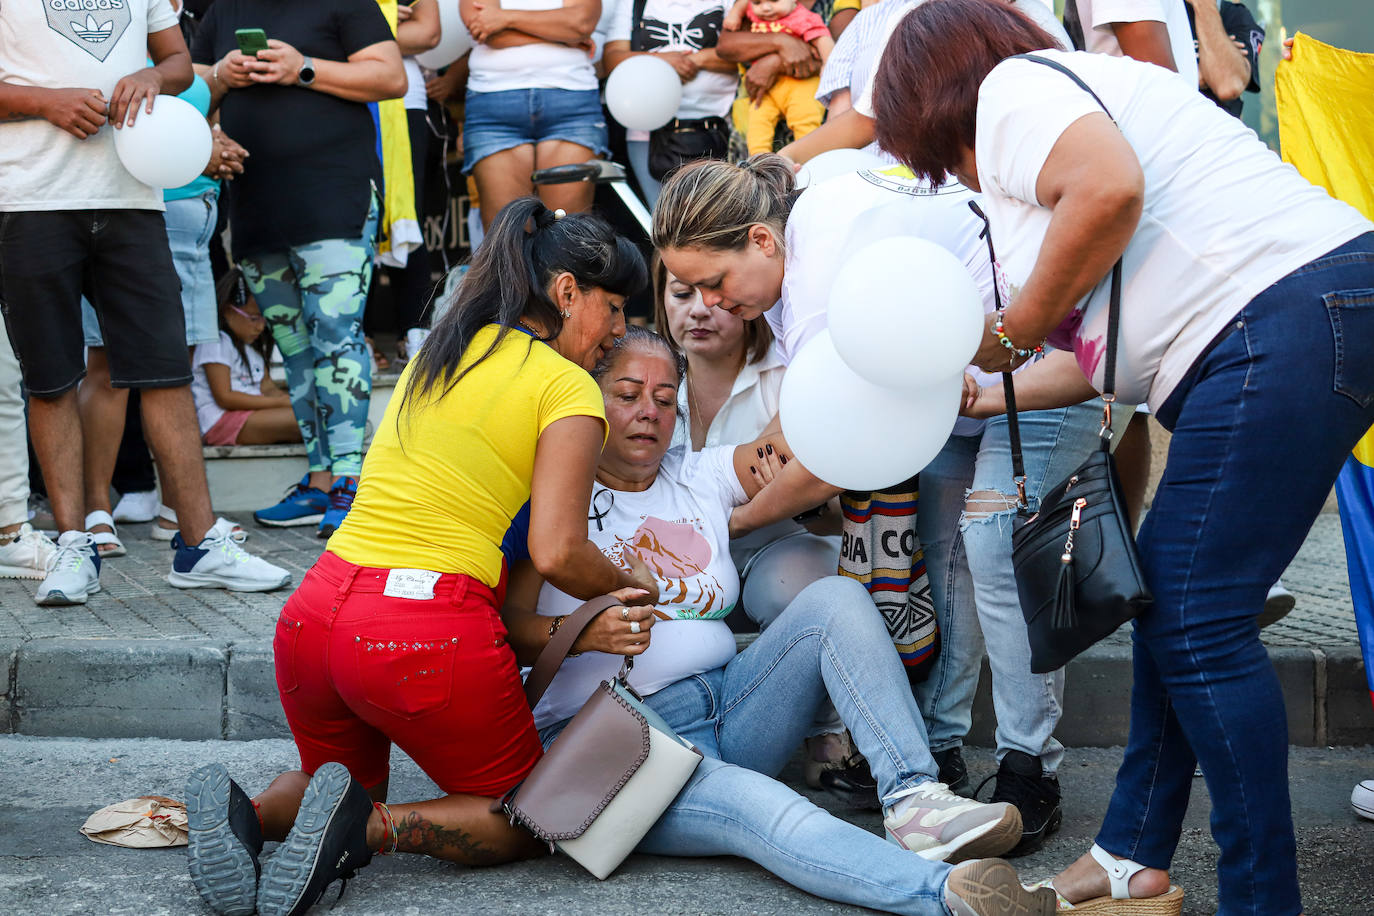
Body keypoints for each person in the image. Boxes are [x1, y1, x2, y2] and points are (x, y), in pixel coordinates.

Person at [871, 1, 1374, 912]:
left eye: (942, 154)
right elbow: (1107, 350)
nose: (960, 174)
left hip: (1275, 323)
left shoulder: (1011, 93)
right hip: (1296, 321)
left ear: (936, 94)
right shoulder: (1068, 104)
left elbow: (1109, 191)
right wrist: (990, 385)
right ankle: (1128, 858)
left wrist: (1012, 329)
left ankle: (1262, 899)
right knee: (1175, 605)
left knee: (1198, 618)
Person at [183, 199, 660, 916]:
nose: (619, 332)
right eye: (615, 308)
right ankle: (368, 831)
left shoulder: (440, 350)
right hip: (419, 630)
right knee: (524, 816)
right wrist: (628, 586)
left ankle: (248, 815)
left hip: (315, 615)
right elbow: (558, 550)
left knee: (336, 783)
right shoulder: (564, 386)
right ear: (567, 293)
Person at [652, 154, 1112, 856]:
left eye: (714, 283)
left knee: (990, 546)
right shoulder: (800, 235)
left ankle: (1029, 771)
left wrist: (719, 523)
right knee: (943, 560)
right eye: (687, 289)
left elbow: (825, 455)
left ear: (762, 242)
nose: (708, 304)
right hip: (952, 395)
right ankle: (941, 750)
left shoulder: (810, 286)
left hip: (1050, 360)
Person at [506, 325, 1046, 916]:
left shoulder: (698, 476)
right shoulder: (557, 505)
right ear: (590, 400)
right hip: (621, 745)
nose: (648, 413)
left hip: (734, 705)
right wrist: (579, 634)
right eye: (628, 394)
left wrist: (880, 377)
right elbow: (508, 631)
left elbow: (803, 447)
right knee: (766, 807)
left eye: (665, 400)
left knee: (834, 601)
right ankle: (948, 898)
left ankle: (915, 799)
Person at [0, 0, 290, 605]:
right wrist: (41, 101)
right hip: (30, 200)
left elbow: (179, 61)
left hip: (134, 198)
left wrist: (155, 76)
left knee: (165, 372)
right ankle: (74, 544)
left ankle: (200, 544)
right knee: (51, 380)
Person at [653, 256, 872, 802]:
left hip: (774, 550)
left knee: (804, 580)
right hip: (673, 560)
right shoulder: (648, 380)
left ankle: (824, 733)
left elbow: (837, 510)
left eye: (713, 296)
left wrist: (792, 504)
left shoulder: (788, 376)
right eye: (681, 295)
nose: (699, 311)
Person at [191, 0, 407, 538]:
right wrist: (220, 79)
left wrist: (302, 67)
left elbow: (391, 76)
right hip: (257, 204)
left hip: (334, 194)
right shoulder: (222, 10)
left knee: (336, 337)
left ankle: (352, 483)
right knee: (294, 345)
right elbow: (192, 90)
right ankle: (319, 478)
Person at [460, 0, 606, 230]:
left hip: (570, 104)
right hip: (495, 108)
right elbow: (486, 31)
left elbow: (581, 22)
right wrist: (563, 36)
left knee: (566, 237)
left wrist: (506, 18)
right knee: (507, 241)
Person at [604, 0, 737, 206]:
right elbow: (611, 60)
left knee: (718, 217)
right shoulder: (632, 3)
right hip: (648, 135)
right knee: (663, 220)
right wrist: (661, 61)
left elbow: (745, 53)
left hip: (721, 128)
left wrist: (694, 60)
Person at [191, 270, 300, 448]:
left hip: (250, 415)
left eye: (264, 319)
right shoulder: (216, 341)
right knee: (304, 421)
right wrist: (279, 402)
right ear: (228, 311)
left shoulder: (251, 347)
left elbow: (267, 387)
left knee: (311, 414)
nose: (260, 327)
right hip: (220, 421)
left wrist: (290, 400)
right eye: (254, 318)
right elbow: (225, 397)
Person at [724, 0, 834, 154]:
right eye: (757, 3)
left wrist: (827, 64)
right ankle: (760, 161)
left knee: (805, 121)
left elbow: (822, 38)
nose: (766, 8)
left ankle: (808, 160)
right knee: (757, 126)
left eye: (775, 1)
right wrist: (735, 14)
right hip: (767, 88)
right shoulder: (756, 14)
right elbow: (744, 3)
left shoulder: (802, 17)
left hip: (800, 83)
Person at [1184, 0, 1263, 117]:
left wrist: (1204, 4)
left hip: (1218, 131)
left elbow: (1229, 84)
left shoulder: (1236, 15)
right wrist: (1202, 72)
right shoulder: (1158, 14)